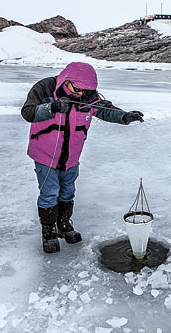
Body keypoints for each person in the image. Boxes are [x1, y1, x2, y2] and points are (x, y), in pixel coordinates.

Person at [21, 62, 144, 253]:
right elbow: (27, 113)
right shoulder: (44, 88)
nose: (80, 94)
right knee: (49, 193)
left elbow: (104, 110)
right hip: (46, 156)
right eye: (77, 89)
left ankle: (63, 225)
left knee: (67, 191)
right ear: (66, 81)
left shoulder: (88, 96)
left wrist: (125, 116)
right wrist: (51, 107)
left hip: (71, 156)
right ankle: (49, 233)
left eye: (84, 90)